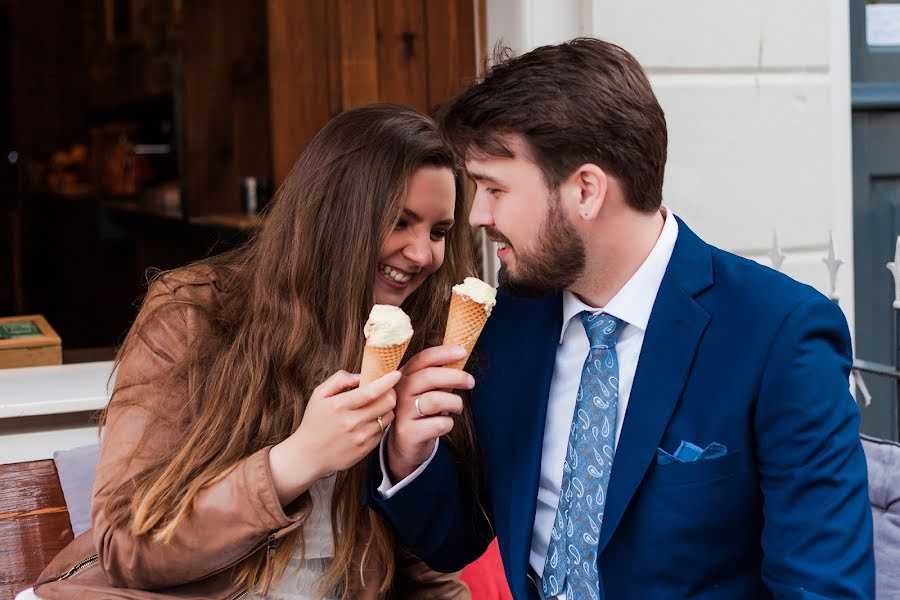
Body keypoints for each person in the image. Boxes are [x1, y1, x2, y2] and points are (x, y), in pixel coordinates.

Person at [370, 38, 875, 599]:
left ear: (586, 189)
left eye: (495, 189)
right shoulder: (509, 324)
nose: (476, 216)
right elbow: (456, 541)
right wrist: (409, 457)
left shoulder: (780, 334)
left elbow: (822, 587)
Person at [22, 104, 476, 600]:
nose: (423, 254)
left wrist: (407, 464)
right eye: (399, 222)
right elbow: (126, 546)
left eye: (438, 232)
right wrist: (296, 459)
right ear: (334, 217)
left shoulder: (412, 339)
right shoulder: (195, 316)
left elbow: (416, 567)